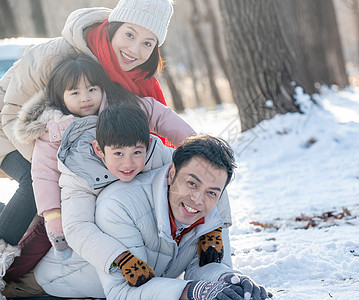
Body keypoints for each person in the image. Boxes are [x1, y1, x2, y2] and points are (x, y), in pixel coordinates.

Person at [0, 0, 229, 289]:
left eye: (147, 43)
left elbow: (157, 118)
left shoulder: (129, 82)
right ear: (112, 28)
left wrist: (197, 149)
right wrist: (64, 163)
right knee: (40, 193)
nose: (135, 50)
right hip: (14, 129)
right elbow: (11, 113)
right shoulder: (57, 55)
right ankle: (5, 262)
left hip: (70, 136)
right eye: (129, 35)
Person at [1, 54, 196, 293]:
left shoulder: (121, 108)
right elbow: (43, 174)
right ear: (61, 97)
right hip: (72, 198)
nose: (85, 98)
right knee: (41, 241)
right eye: (74, 93)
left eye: (92, 89)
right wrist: (53, 216)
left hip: (119, 193)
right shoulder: (55, 128)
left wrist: (195, 147)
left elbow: (159, 115)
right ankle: (11, 274)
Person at [31, 135, 271, 300]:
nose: (198, 200)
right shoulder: (120, 204)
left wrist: (228, 280)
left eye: (211, 192)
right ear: (172, 172)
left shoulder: (212, 208)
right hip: (56, 284)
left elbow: (205, 268)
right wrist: (194, 292)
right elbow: (123, 292)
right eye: (191, 184)